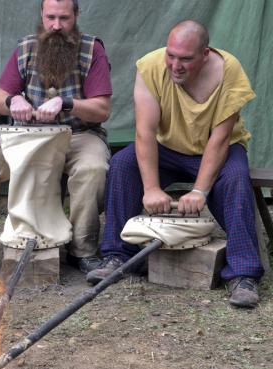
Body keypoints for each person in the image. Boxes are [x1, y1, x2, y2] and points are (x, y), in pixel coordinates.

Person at [86, 20, 264, 308]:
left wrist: (200, 192)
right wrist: (151, 187)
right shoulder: (150, 67)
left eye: (186, 59)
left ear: (205, 54)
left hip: (216, 148)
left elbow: (220, 140)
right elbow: (144, 132)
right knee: (122, 164)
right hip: (167, 148)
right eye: (171, 55)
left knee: (235, 178)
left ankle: (243, 275)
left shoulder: (229, 70)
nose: (176, 65)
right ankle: (116, 256)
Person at [0, 0, 112, 277]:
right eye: (50, 17)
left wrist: (66, 103)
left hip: (78, 135)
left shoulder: (92, 49)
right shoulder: (26, 47)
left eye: (64, 18)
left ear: (76, 16)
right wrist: (15, 100)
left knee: (93, 168)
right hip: (27, 136)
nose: (56, 26)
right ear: (41, 15)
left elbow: (102, 109)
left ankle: (83, 251)